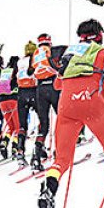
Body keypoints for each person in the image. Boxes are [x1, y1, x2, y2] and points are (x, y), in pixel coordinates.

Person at [38, 19, 104, 208]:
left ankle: (48, 191)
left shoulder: (69, 53)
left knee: (62, 159)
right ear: (99, 35)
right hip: (91, 102)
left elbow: (57, 84)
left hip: (67, 105)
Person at [30, 34, 61, 170]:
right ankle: (59, 151)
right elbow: (55, 65)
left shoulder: (36, 53)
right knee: (61, 119)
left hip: (40, 88)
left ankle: (36, 156)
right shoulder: (50, 50)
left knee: (44, 124)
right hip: (53, 85)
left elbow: (31, 71)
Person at [0, 55, 21, 162]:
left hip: (2, 101)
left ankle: (4, 142)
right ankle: (15, 147)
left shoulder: (4, 71)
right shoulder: (17, 71)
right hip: (13, 100)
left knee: (10, 126)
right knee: (18, 127)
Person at [16, 43, 38, 160]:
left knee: (22, 124)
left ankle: (20, 148)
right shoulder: (35, 59)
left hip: (21, 92)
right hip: (33, 90)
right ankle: (39, 148)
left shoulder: (20, 62)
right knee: (42, 120)